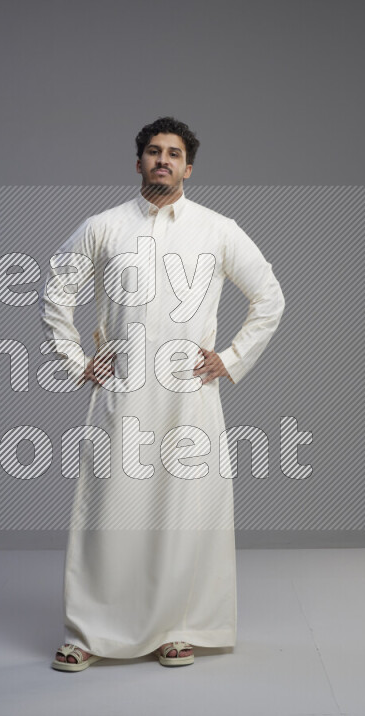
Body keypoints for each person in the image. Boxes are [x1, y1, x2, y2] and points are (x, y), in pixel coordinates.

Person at [39, 117, 286, 671]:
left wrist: (231, 358)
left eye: (174, 153)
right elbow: (56, 291)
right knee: (107, 509)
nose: (163, 161)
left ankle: (179, 627)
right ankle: (86, 631)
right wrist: (77, 361)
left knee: (185, 511)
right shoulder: (103, 227)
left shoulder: (217, 230)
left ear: (188, 167)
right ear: (138, 163)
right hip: (122, 390)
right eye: (153, 152)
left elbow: (269, 297)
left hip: (188, 394)